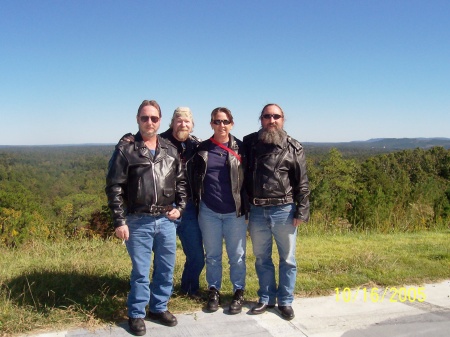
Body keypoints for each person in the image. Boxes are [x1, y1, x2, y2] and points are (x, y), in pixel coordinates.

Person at [105, 100, 187, 335]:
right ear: (137, 119)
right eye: (144, 118)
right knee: (141, 271)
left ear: (160, 121)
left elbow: (181, 182)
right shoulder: (125, 149)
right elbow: (115, 187)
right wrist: (119, 220)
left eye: (154, 118)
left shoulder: (170, 150)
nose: (149, 122)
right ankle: (137, 313)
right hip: (138, 220)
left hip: (166, 219)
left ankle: (159, 307)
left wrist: (180, 207)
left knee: (165, 267)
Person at [120, 107, 205, 299]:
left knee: (196, 256)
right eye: (179, 120)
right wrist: (127, 138)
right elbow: (138, 143)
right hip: (161, 208)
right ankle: (145, 295)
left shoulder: (197, 145)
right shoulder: (160, 141)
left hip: (187, 208)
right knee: (154, 259)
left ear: (192, 125)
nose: (183, 124)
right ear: (171, 122)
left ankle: (189, 289)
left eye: (187, 121)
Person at [243, 103, 310, 320]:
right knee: (262, 257)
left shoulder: (294, 147)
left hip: (284, 210)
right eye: (267, 116)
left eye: (276, 116)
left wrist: (302, 211)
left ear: (283, 119)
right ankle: (266, 298)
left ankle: (286, 301)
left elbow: (302, 183)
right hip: (256, 210)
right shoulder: (249, 143)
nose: (272, 120)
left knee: (287, 259)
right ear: (260, 119)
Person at [192, 107, 247, 314]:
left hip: (234, 212)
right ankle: (213, 290)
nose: (221, 125)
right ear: (211, 124)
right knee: (213, 255)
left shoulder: (242, 148)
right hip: (209, 211)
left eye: (225, 121)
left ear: (231, 123)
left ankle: (238, 291)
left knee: (237, 255)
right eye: (217, 121)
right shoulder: (202, 149)